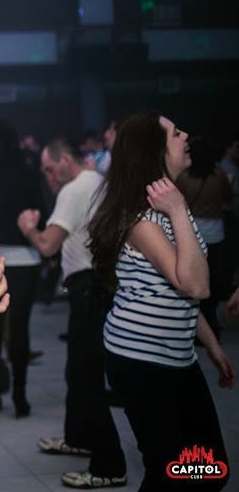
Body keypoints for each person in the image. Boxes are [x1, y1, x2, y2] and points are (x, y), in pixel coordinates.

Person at [89, 112, 234, 492]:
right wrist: (179, 209)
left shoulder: (165, 210)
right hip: (141, 359)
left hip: (176, 356)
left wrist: (212, 345)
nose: (186, 136)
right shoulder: (144, 220)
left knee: (209, 470)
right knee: (169, 471)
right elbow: (196, 286)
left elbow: (177, 292)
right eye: (175, 133)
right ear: (153, 151)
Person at [17, 138, 127, 489]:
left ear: (65, 159)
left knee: (86, 376)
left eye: (50, 169)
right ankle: (79, 438)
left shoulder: (74, 189)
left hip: (89, 288)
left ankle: (109, 465)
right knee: (77, 372)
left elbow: (48, 244)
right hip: (96, 285)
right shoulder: (95, 181)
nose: (48, 176)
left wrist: (29, 229)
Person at [0, 120, 44, 417]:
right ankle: (20, 395)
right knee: (20, 328)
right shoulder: (28, 174)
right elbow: (40, 212)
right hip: (25, 257)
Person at [176, 137, 233, 340]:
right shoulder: (219, 175)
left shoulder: (183, 177)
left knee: (192, 274)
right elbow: (228, 196)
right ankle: (211, 319)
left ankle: (193, 322)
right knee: (212, 274)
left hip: (192, 228)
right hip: (215, 230)